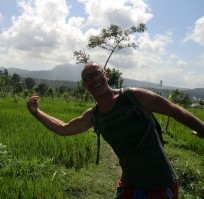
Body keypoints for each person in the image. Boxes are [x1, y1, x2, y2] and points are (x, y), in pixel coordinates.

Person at [26, 62, 204, 199]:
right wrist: (37, 113)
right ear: (84, 85)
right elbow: (64, 128)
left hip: (160, 183)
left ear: (106, 75)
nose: (94, 79)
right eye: (88, 77)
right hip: (130, 183)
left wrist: (202, 129)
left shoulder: (134, 96)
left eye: (97, 74)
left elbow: (173, 109)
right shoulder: (93, 115)